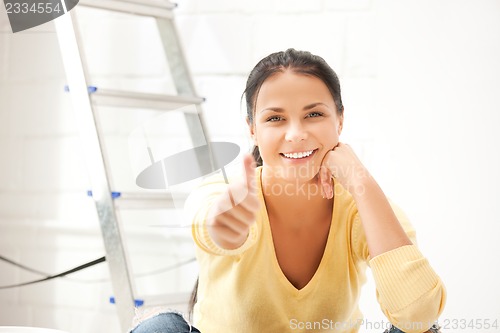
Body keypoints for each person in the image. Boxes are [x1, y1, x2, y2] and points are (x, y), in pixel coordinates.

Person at [130, 49, 446, 333]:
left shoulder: (364, 210)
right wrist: (226, 227)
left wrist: (362, 184)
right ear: (253, 129)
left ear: (340, 120)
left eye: (314, 114)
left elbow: (417, 316)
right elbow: (212, 223)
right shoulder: (222, 194)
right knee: (160, 328)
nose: (295, 134)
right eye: (275, 118)